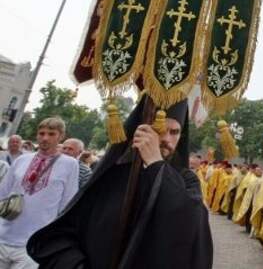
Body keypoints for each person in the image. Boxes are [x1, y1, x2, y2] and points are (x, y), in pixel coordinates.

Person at [27, 97, 213, 269]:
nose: (166, 139)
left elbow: (190, 229)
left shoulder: (186, 180)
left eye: (175, 132)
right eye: (160, 129)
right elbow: (64, 234)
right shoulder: (111, 175)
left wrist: (156, 164)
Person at [0, 118, 79, 269]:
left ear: (61, 136)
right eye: (41, 133)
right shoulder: (22, 160)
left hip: (34, 244)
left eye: (51, 134)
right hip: (4, 235)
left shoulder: (70, 165)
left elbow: (68, 204)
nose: (45, 138)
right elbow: (2, 192)